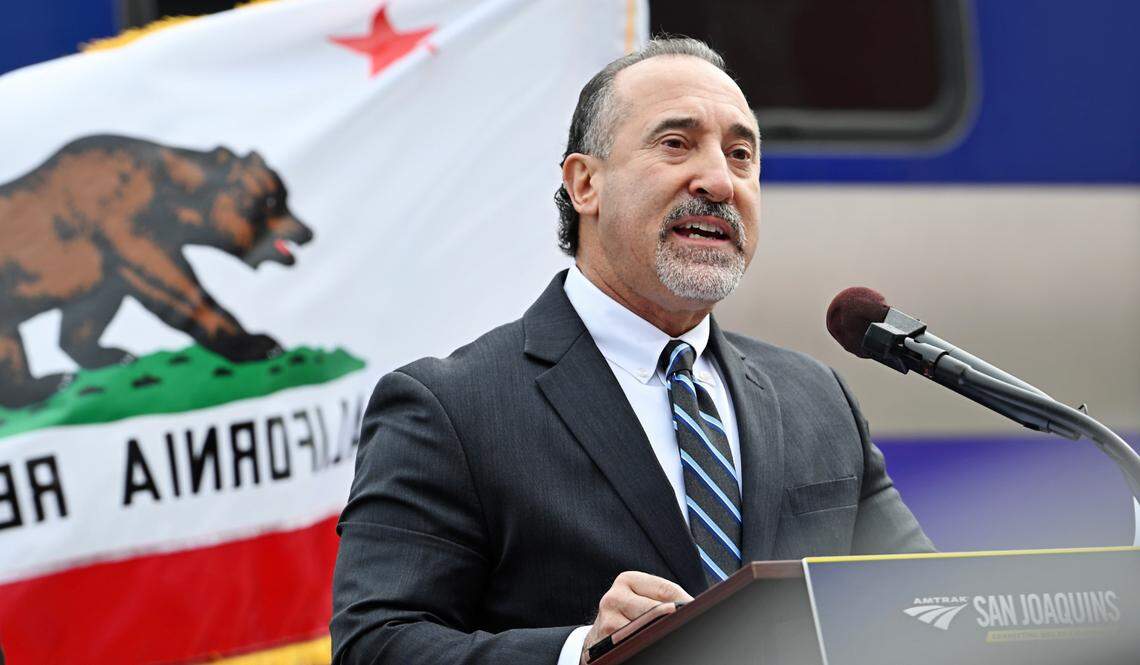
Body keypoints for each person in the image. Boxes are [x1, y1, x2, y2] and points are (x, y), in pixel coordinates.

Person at [330, 37, 932, 665]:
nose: (719, 181)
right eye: (676, 144)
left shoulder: (816, 397)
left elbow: (932, 608)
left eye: (741, 154)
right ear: (584, 184)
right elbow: (376, 644)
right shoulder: (448, 409)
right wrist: (579, 652)